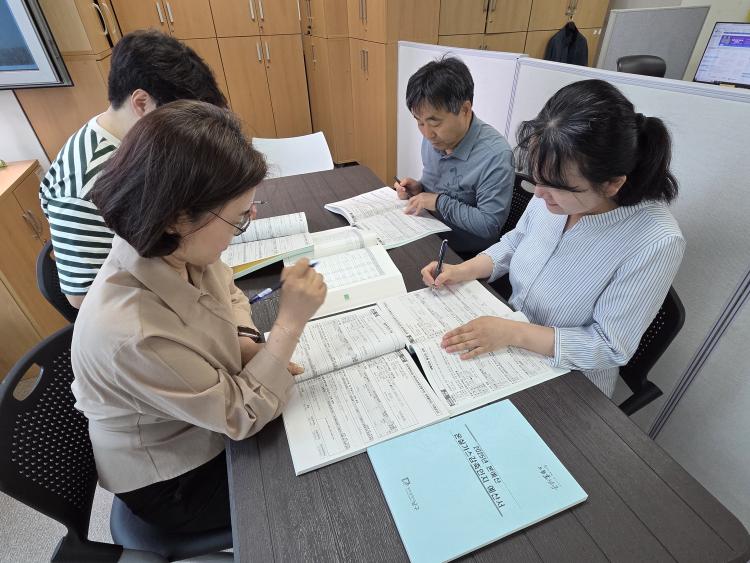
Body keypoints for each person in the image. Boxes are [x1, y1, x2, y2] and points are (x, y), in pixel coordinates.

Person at [71, 100, 327, 533]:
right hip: (175, 480)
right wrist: (288, 325)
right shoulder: (133, 332)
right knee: (315, 490)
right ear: (177, 218)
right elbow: (242, 416)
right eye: (238, 218)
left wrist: (245, 342)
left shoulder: (171, 245)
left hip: (199, 418)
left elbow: (227, 288)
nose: (241, 228)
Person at [420, 79, 685, 398]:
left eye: (556, 186)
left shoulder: (656, 241)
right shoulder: (554, 188)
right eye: (538, 178)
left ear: (612, 184)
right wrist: (462, 270)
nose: (539, 194)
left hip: (568, 382)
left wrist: (514, 333)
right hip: (507, 340)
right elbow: (516, 241)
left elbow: (609, 346)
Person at [39, 30, 227, 309]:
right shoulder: (82, 188)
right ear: (141, 103)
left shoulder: (136, 137)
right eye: (181, 119)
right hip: (146, 304)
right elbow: (82, 298)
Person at [395, 56, 514, 255]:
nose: (427, 134)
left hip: (463, 255)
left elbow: (489, 225)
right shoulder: (434, 138)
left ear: (465, 110)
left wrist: (438, 202)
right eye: (419, 122)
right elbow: (438, 188)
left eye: (434, 123)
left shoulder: (496, 156)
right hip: (427, 233)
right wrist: (418, 189)